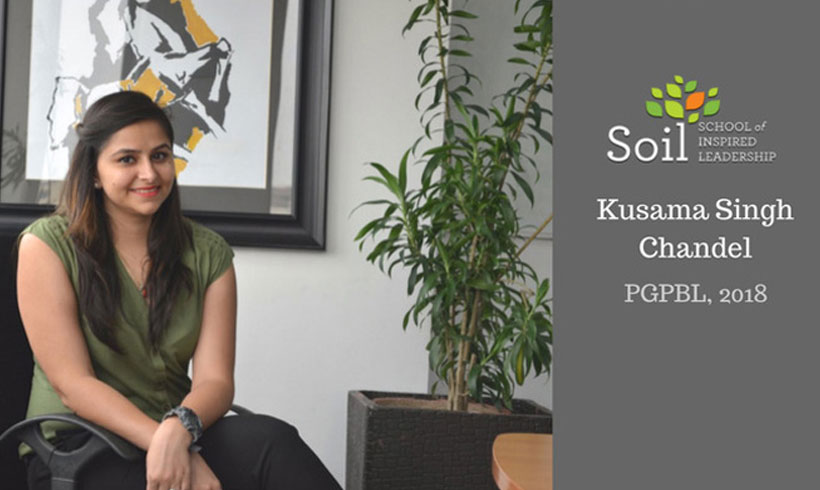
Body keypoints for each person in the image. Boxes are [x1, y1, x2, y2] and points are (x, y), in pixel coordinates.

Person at [17, 90, 341, 490]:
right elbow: (73, 386)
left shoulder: (208, 253)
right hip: (77, 448)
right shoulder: (47, 245)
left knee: (273, 441)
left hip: (177, 429)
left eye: (160, 155)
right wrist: (168, 446)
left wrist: (178, 432)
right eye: (127, 159)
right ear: (95, 173)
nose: (149, 174)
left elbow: (215, 382)